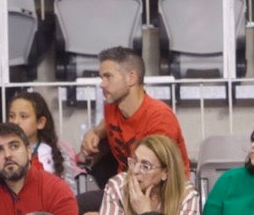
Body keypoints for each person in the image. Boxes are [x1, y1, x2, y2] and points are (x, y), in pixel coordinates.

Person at [79, 47, 191, 183]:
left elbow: (154, 176)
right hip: (126, 186)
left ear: (131, 78)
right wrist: (95, 133)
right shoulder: (112, 107)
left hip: (160, 193)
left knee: (82, 203)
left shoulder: (160, 118)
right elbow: (107, 124)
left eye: (108, 76)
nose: (102, 84)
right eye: (101, 77)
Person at [96, 135, 201, 215]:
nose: (135, 171)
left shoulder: (186, 195)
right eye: (134, 162)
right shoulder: (118, 187)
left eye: (145, 166)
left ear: (165, 173)